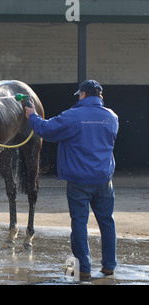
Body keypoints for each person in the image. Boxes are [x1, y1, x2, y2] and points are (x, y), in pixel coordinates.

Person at [25, 80, 119, 280]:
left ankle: (82, 269)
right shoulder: (112, 117)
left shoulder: (73, 116)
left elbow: (46, 130)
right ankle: (109, 267)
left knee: (79, 224)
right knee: (107, 223)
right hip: (104, 181)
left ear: (83, 95)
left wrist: (32, 115)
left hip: (79, 181)